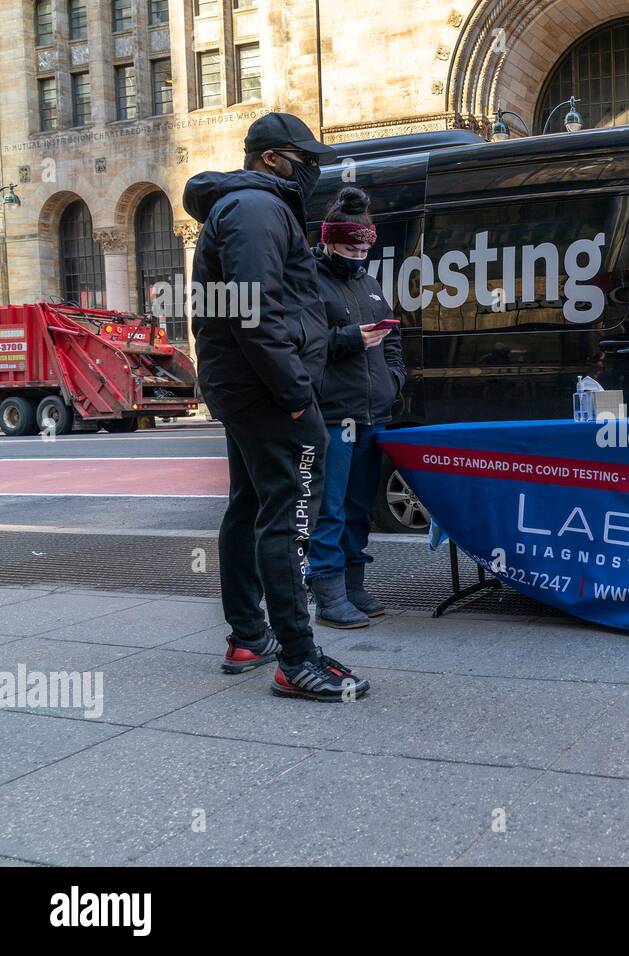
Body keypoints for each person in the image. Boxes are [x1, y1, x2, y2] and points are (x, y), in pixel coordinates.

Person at [182, 111, 370, 702]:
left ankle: (249, 635)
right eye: (304, 157)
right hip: (267, 390)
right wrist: (294, 395)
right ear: (270, 157)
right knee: (289, 512)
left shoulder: (242, 207)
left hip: (248, 386)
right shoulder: (258, 209)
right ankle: (297, 656)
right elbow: (254, 311)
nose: (312, 168)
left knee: (250, 503)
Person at [305, 186, 406, 627]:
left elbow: (395, 341)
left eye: (365, 248)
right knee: (330, 504)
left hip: (372, 412)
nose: (358, 255)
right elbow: (298, 343)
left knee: (359, 505)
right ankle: (327, 589)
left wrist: (395, 380)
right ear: (328, 241)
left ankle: (352, 585)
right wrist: (347, 339)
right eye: (350, 247)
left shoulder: (369, 282)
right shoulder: (307, 280)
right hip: (332, 413)